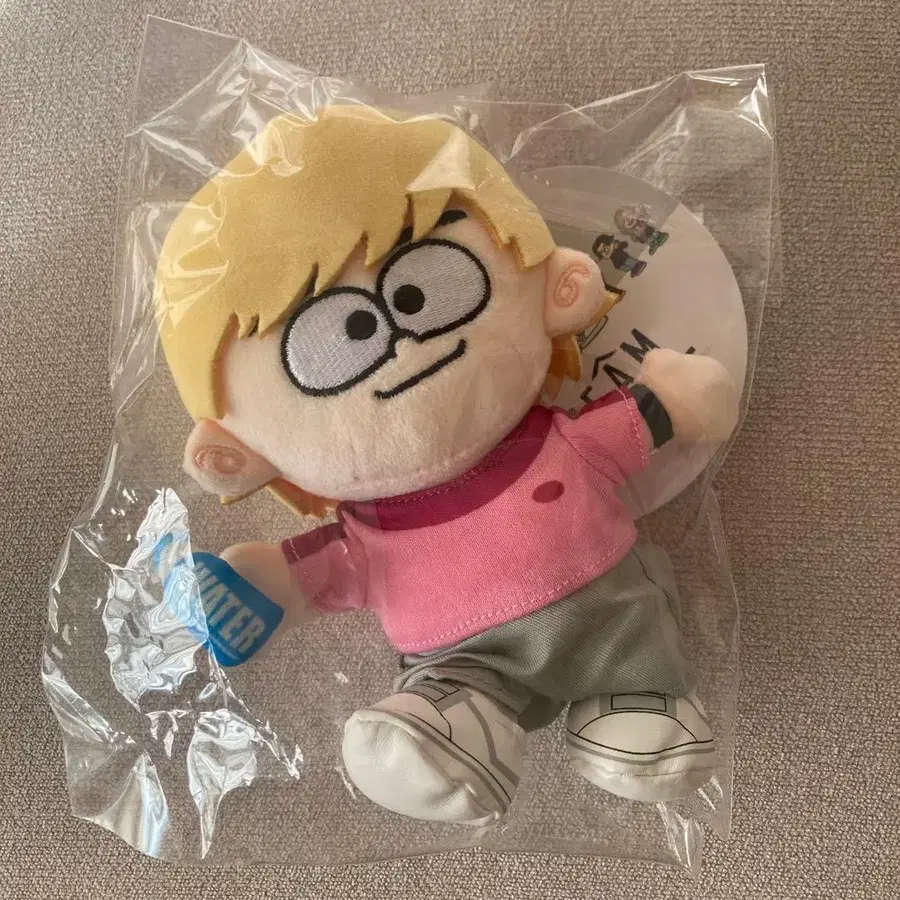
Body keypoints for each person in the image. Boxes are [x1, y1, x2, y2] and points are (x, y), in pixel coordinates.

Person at [155, 108, 738, 825]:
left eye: (423, 289)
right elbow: (321, 571)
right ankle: (449, 735)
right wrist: (259, 584)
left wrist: (672, 397)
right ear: (236, 454)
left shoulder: (558, 441)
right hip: (461, 664)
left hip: (608, 617)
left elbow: (632, 425)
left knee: (633, 645)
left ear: (558, 284)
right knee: (446, 703)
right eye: (335, 342)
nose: (397, 341)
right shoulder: (367, 531)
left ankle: (638, 699)